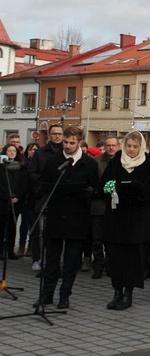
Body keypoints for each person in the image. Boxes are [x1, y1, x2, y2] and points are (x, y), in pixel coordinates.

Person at [37, 126, 99, 310]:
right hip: (56, 215)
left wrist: (89, 192)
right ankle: (47, 294)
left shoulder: (89, 164)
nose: (68, 145)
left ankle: (65, 295)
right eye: (65, 142)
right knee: (52, 260)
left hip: (77, 217)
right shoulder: (53, 161)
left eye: (72, 143)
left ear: (79, 142)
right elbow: (42, 184)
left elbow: (96, 188)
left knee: (71, 261)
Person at [101, 131, 150, 310]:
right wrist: (111, 189)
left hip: (138, 219)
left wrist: (138, 190)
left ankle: (128, 293)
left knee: (133, 258)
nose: (131, 149)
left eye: (135, 146)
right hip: (117, 217)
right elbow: (104, 184)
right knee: (116, 257)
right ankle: (117, 291)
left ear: (141, 147)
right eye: (129, 146)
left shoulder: (148, 163)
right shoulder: (116, 161)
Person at [27, 124, 64, 272]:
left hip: (60, 197)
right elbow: (31, 173)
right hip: (43, 196)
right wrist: (43, 182)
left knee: (58, 231)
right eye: (54, 134)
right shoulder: (40, 153)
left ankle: (57, 260)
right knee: (41, 231)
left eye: (60, 134)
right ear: (49, 135)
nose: (57, 136)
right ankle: (39, 258)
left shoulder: (66, 152)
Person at [89, 136, 120, 278]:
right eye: (108, 145)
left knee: (111, 239)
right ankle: (98, 266)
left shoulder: (121, 161)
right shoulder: (96, 162)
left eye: (114, 145)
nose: (111, 148)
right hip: (99, 205)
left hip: (114, 206)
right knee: (97, 239)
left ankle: (110, 265)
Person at [0, 143, 27, 260]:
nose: (11, 153)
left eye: (14, 151)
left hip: (16, 201)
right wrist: (7, 196)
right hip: (3, 201)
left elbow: (24, 183)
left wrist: (17, 197)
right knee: (1, 226)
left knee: (12, 226)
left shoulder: (21, 167)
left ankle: (10, 250)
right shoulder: (1, 167)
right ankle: (1, 251)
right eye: (9, 151)